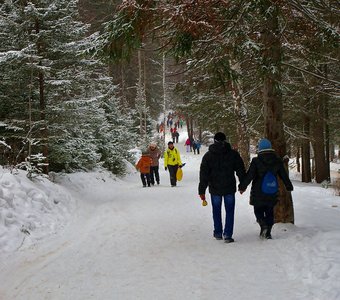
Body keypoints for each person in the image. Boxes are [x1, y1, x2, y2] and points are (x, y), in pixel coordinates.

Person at [238, 138, 293, 239]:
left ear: (260, 149)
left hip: (258, 192)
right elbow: (283, 175)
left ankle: (263, 225)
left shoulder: (256, 161)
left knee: (258, 210)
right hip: (271, 190)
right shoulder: (277, 161)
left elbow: (249, 176)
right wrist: (288, 185)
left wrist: (242, 187)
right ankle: (268, 233)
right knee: (269, 211)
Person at [198, 132, 246, 243]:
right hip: (229, 187)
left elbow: (204, 175)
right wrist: (242, 185)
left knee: (216, 210)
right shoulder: (233, 154)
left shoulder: (208, 156)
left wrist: (202, 191)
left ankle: (218, 232)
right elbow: (240, 170)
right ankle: (228, 235)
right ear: (225, 140)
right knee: (230, 211)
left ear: (214, 141)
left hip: (214, 188)